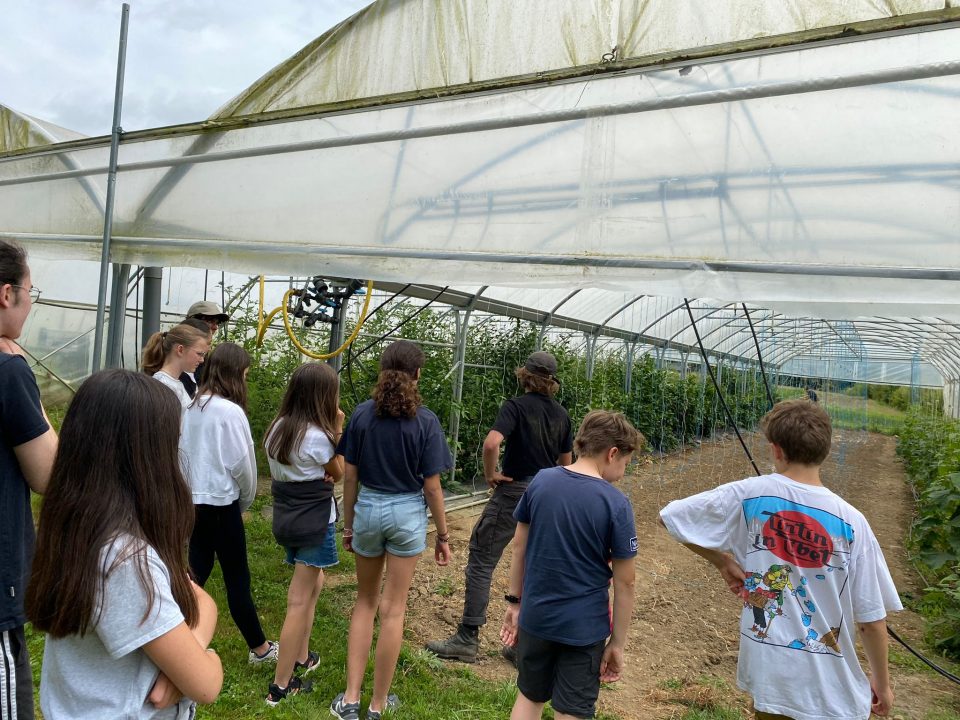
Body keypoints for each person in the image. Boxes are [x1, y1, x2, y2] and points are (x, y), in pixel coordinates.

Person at [658, 399, 901, 720]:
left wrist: (721, 561)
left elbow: (671, 517)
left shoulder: (749, 495)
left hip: (772, 679)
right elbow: (870, 621)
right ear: (825, 450)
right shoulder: (852, 521)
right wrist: (882, 685)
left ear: (775, 450)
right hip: (831, 692)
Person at [26, 369, 223, 719]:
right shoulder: (124, 561)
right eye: (171, 444)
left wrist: (177, 672)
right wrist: (206, 661)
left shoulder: (80, 531)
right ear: (145, 460)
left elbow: (202, 601)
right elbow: (207, 683)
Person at [330, 340, 453, 720]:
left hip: (368, 508)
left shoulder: (363, 416)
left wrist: (348, 525)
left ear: (383, 371)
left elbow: (349, 476)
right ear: (417, 374)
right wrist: (443, 536)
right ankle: (377, 705)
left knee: (364, 603)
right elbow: (431, 487)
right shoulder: (426, 421)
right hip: (406, 514)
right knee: (393, 609)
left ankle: (350, 699)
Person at [427, 350, 572, 664]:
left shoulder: (516, 407)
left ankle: (467, 638)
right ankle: (523, 647)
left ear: (525, 376)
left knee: (482, 557)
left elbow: (492, 442)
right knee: (534, 564)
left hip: (515, 491)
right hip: (548, 493)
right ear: (551, 381)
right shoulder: (562, 414)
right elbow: (566, 463)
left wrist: (491, 473)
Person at [500, 410, 640, 720]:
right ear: (612, 453)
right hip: (583, 628)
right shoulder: (615, 504)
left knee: (529, 697)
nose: (622, 472)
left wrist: (514, 602)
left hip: (536, 618)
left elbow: (519, 545)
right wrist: (617, 642)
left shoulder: (542, 481)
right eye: (625, 464)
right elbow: (625, 581)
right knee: (572, 711)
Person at [179, 342, 277, 664]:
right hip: (223, 505)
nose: (246, 381)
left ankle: (170, 633)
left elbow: (181, 457)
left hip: (194, 503)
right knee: (237, 580)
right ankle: (260, 649)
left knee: (196, 572)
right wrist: (243, 503)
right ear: (235, 374)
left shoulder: (191, 407)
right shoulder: (230, 412)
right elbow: (244, 467)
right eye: (245, 374)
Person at [0, 239, 59, 720]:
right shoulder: (8, 370)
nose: (31, 301)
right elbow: (48, 473)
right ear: (6, 294)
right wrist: (23, 371)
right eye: (30, 290)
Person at [263, 362, 345, 705]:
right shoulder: (318, 436)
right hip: (314, 521)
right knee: (298, 600)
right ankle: (281, 685)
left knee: (315, 583)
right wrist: (338, 429)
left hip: (288, 518)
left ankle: (302, 656)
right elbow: (337, 473)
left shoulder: (277, 428)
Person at [141, 323, 210, 409]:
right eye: (199, 354)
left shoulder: (174, 382)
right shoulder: (163, 384)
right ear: (180, 350)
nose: (202, 360)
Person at [180, 302, 227, 398]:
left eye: (217, 322)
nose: (215, 327)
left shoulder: (206, 358)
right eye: (210, 321)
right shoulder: (177, 356)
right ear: (193, 322)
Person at [177, 318, 214, 399]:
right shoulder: (171, 382)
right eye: (208, 343)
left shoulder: (189, 375)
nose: (209, 348)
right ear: (181, 349)